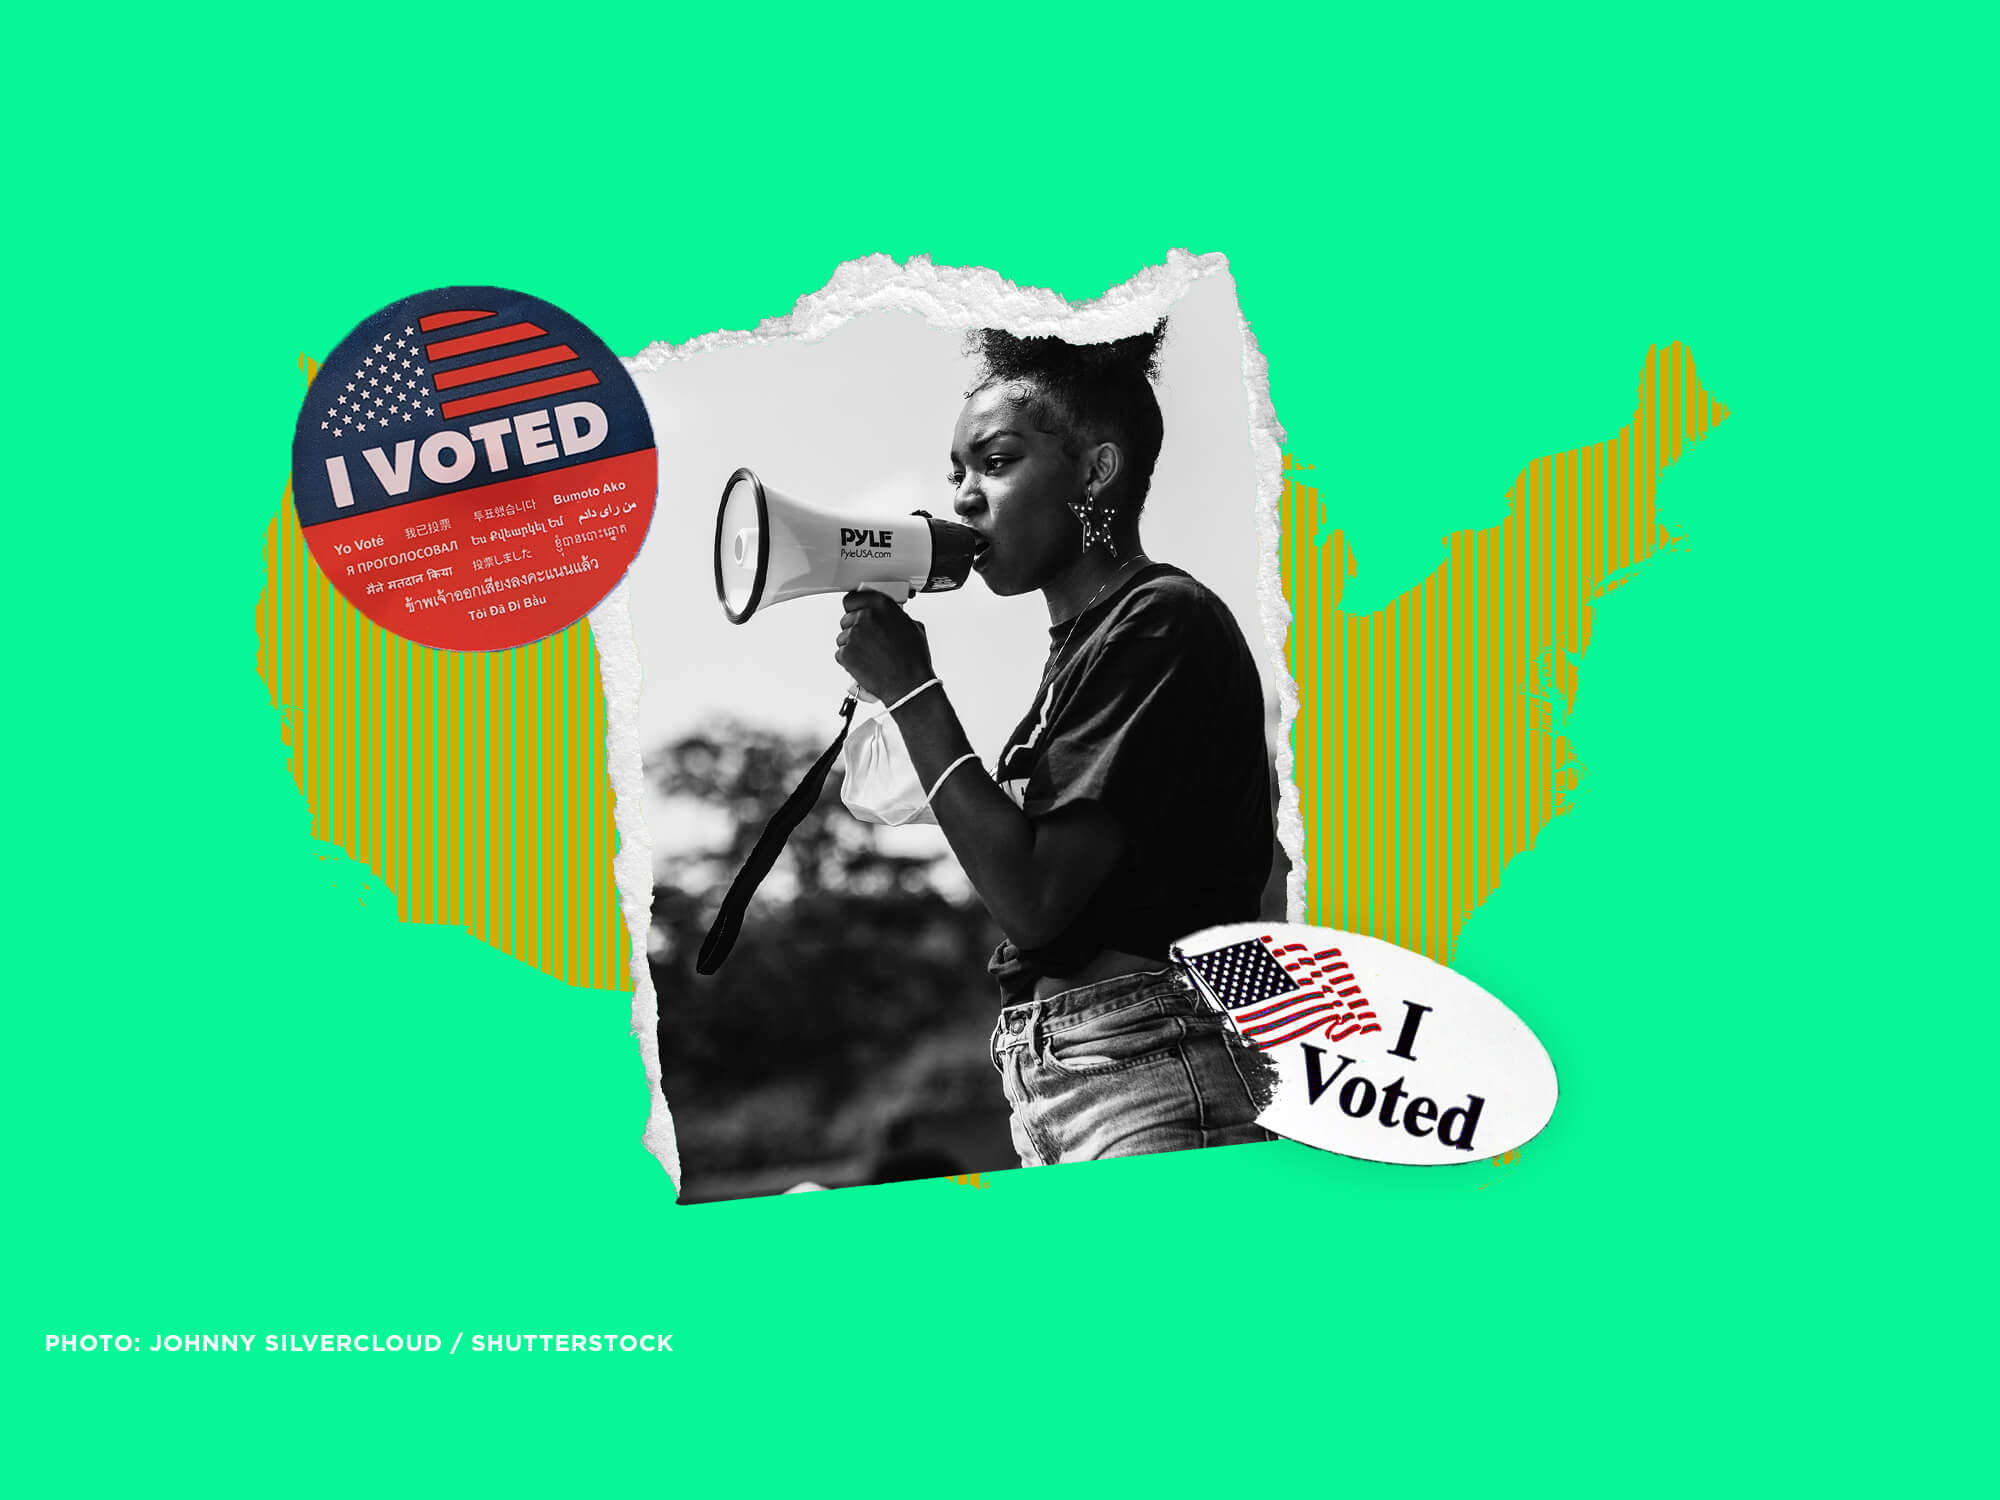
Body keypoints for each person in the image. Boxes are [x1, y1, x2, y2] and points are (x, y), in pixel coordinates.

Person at [834, 321, 1276, 1167]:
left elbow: (1035, 899)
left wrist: (913, 691)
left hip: (1153, 1066)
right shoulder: (1087, 649)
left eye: (995, 463)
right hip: (1072, 1075)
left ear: (1096, 472)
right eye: (956, 472)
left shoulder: (1159, 621)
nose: (963, 496)